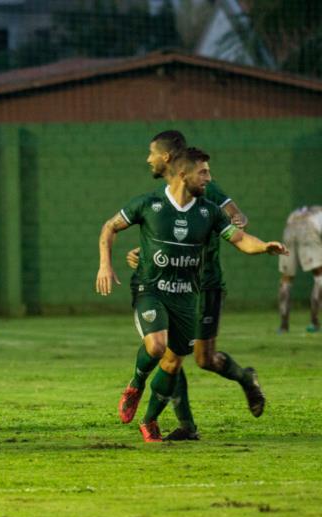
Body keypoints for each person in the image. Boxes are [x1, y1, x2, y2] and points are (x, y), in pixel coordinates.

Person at [96, 147, 286, 442]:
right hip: (154, 289)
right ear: (182, 172)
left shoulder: (208, 206)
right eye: (204, 172)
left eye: (154, 153)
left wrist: (263, 246)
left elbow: (239, 231)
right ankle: (147, 396)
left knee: (188, 360)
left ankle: (154, 419)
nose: (209, 178)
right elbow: (114, 227)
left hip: (194, 292)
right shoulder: (151, 203)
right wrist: (119, 261)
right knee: (159, 348)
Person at [278, 206, 322, 333]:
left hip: (290, 227)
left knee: (286, 277)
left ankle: (283, 326)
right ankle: (314, 323)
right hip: (309, 229)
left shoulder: (312, 210)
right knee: (319, 274)